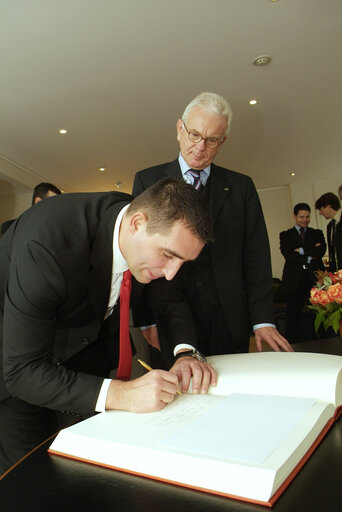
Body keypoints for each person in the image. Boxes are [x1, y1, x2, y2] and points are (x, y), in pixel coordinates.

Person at [0, 177, 216, 475]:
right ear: (137, 223)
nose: (172, 273)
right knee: (33, 480)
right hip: (13, 368)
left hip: (82, 348)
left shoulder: (146, 230)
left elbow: (169, 299)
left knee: (86, 467)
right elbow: (23, 372)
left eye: (183, 262)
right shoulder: (46, 244)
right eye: (168, 256)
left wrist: (185, 352)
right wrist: (122, 394)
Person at [132, 91, 292, 369]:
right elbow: (139, 253)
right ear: (180, 129)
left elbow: (256, 256)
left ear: (222, 142)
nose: (200, 146)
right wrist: (145, 317)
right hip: (169, 313)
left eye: (211, 140)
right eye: (194, 134)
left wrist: (262, 319)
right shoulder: (148, 180)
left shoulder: (241, 187)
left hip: (229, 316)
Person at [280, 203, 326, 343]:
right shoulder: (286, 235)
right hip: (294, 280)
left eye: (307, 217)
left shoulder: (317, 233)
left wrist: (300, 250)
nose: (305, 220)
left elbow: (321, 251)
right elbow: (288, 254)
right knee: (293, 315)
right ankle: (293, 345)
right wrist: (310, 252)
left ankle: (321, 342)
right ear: (295, 216)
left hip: (314, 278)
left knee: (319, 312)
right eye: (301, 217)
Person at [315, 192, 342, 272]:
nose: (320, 213)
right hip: (336, 272)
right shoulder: (330, 226)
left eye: (321, 209)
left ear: (328, 206)